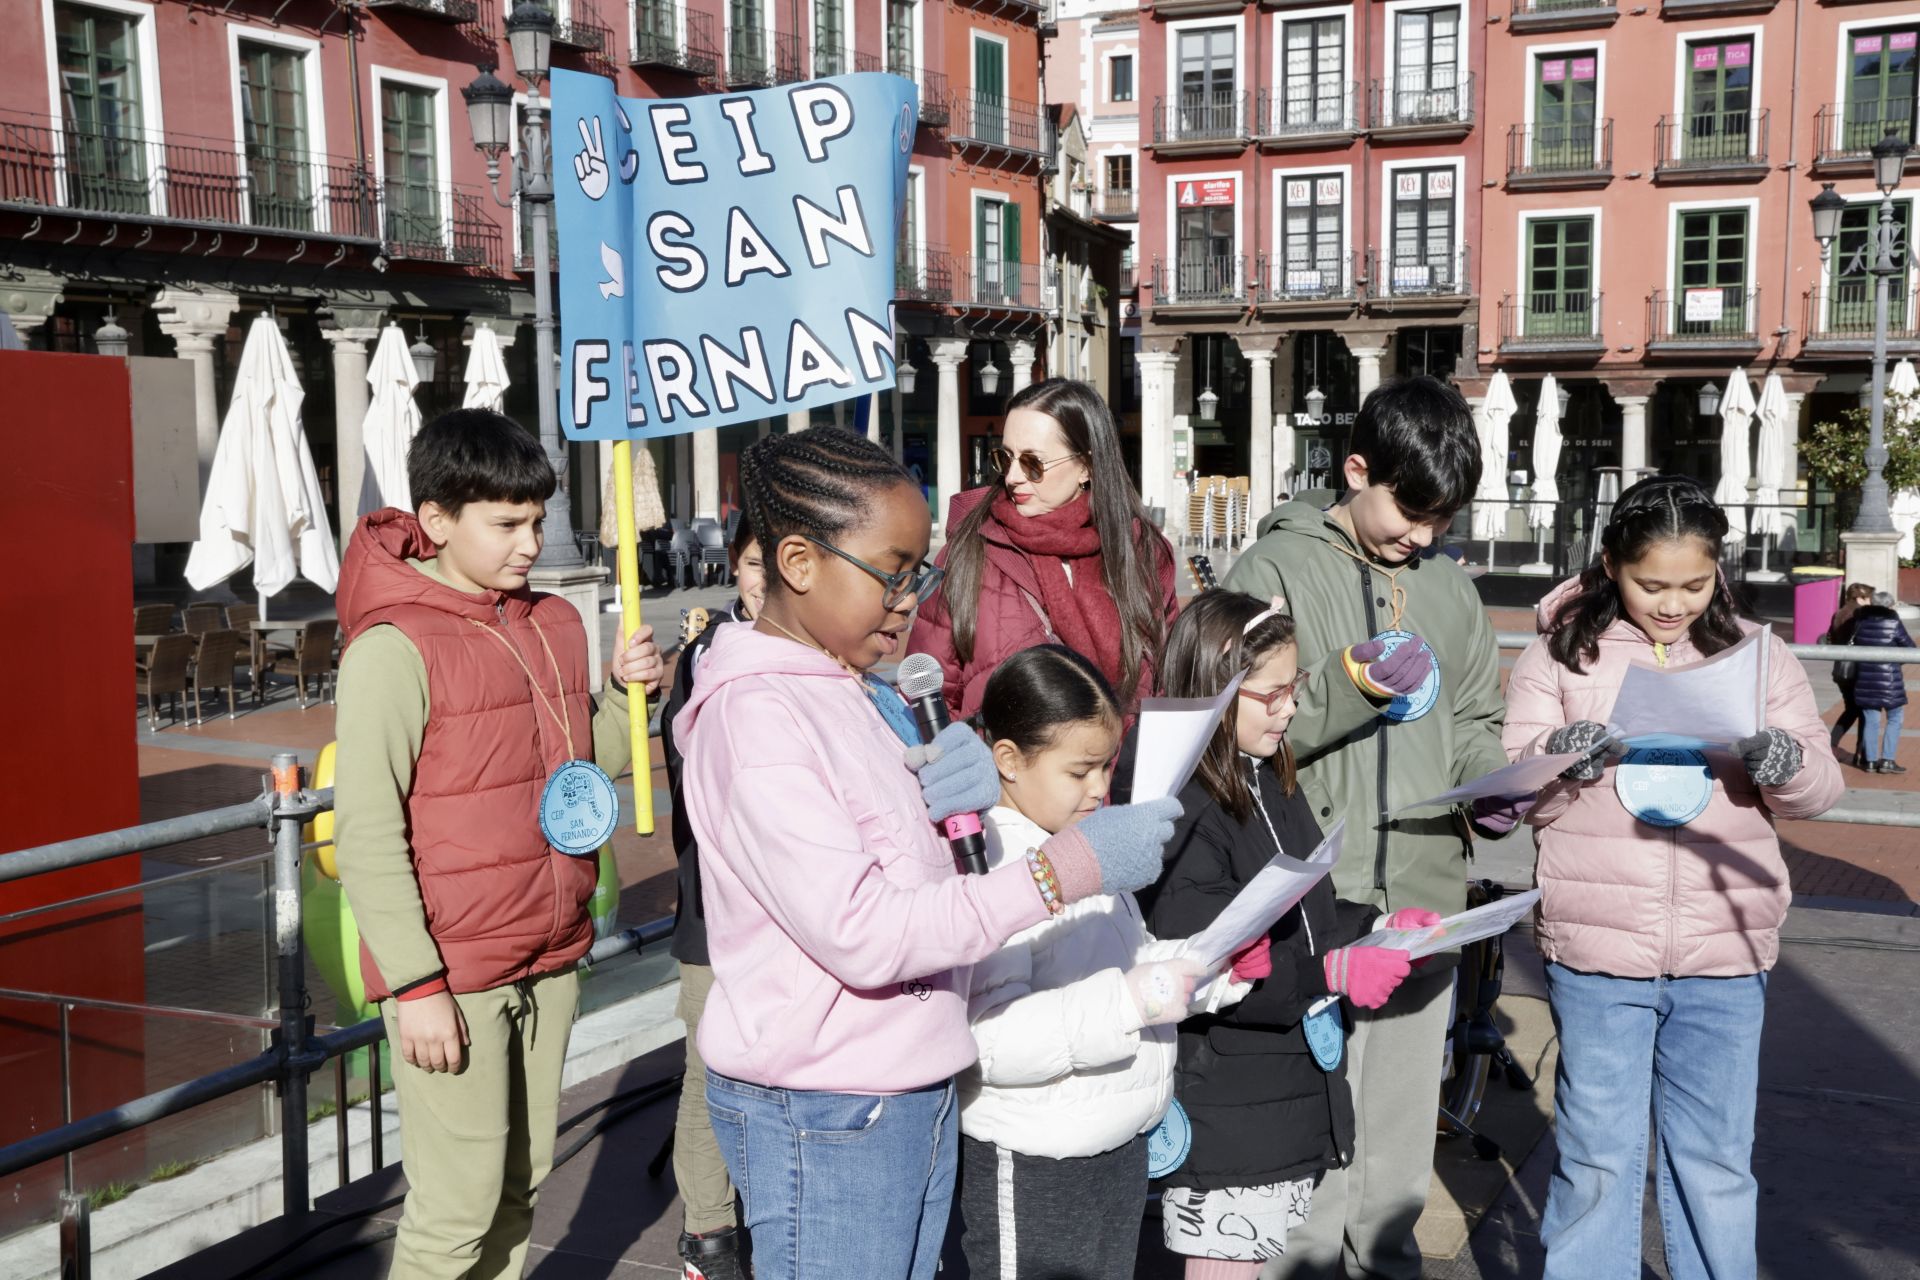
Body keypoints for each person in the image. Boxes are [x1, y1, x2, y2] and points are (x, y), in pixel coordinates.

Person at [672, 426, 1185, 1280]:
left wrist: (966, 815)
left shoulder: (855, 686)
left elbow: (915, 876)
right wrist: (1065, 870)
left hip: (905, 1080)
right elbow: (867, 931)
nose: (911, 600)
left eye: (921, 572)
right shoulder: (756, 716)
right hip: (826, 1103)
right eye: (893, 572)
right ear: (798, 563)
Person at [331, 408, 666, 1280]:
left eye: (538, 520)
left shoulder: (553, 621)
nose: (530, 542)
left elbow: (583, 770)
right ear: (438, 521)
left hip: (549, 951)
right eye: (507, 523)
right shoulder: (391, 647)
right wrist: (416, 983)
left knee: (522, 1183)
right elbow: (369, 832)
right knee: (455, 1207)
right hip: (453, 970)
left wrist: (626, 700)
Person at [1503, 474, 1842, 1280]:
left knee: (1717, 1163)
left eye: (1694, 584)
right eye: (1651, 584)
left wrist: (1784, 763)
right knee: (1595, 1158)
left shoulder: (1760, 655)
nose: (1672, 604)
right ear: (1611, 564)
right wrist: (1562, 759)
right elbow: (1515, 791)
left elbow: (1822, 789)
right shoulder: (1558, 653)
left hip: (1725, 950)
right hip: (1597, 951)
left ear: (1718, 571)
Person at [1222, 376, 1514, 1280]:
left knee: (1393, 1143)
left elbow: (1470, 721)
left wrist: (1493, 789)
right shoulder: (1273, 570)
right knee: (1311, 1126)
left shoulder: (1450, 590)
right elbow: (1234, 719)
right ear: (1356, 469)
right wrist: (1355, 686)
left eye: (1442, 518)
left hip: (1425, 891)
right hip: (1312, 892)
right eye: (1410, 511)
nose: (1423, 537)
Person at [1143, 592, 1439, 1279]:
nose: (1291, 708)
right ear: (1213, 691)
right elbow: (1204, 969)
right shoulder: (1184, 806)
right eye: (1270, 693)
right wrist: (1329, 975)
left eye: (1296, 686)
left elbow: (1302, 908)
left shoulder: (1266, 774)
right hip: (1223, 1093)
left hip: (1278, 1088)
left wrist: (1376, 924)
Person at [951, 644, 1257, 1280]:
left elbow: (1133, 961)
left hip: (1118, 1142)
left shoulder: (1085, 844)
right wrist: (1130, 1001)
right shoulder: (996, 868)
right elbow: (988, 1040)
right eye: (1079, 770)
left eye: (1105, 766)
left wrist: (1215, 967)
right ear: (1008, 759)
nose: (1099, 788)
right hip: (1033, 1156)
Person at [907, 377, 1179, 722]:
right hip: (999, 770)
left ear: (1086, 466)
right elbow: (930, 692)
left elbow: (1165, 681)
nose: (1013, 477)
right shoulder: (968, 551)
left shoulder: (1144, 553)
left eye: (1033, 463)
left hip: (1121, 769)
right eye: (1005, 458)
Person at [656, 516, 767, 1280]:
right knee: (705, 1070)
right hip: (713, 906)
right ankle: (708, 1237)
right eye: (758, 564)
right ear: (736, 566)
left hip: (786, 914)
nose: (771, 581)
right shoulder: (708, 656)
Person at [1845, 590, 1914, 775]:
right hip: (1890, 679)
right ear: (1889, 605)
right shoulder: (1893, 622)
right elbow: (1910, 648)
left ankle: (1870, 762)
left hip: (1865, 679)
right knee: (1894, 719)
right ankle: (1888, 761)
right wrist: (1895, 661)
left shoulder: (1860, 621)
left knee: (1871, 720)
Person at [1824, 581, 1875, 767]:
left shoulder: (1839, 612)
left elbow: (1830, 637)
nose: (1871, 601)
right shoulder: (1858, 614)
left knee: (1852, 708)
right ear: (1860, 597)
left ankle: (1831, 743)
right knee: (1862, 710)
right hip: (1856, 670)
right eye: (1868, 597)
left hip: (1841, 669)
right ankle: (1861, 754)